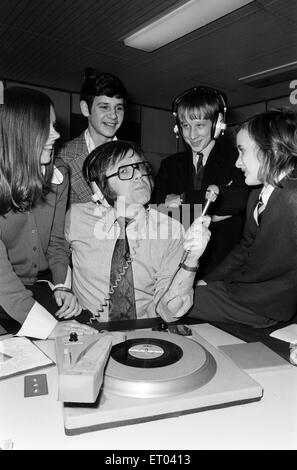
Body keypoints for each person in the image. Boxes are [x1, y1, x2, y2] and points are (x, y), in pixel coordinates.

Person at [63, 140, 211, 326]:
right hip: (85, 330)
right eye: (124, 171)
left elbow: (169, 312)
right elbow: (52, 258)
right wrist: (63, 289)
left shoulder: (171, 230)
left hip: (144, 334)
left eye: (141, 167)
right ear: (97, 188)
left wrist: (191, 261)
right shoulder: (76, 217)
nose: (139, 175)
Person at [0, 86, 95, 339]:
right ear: (19, 133)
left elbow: (56, 242)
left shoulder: (59, 174)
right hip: (5, 289)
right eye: (47, 126)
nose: (56, 134)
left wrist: (62, 286)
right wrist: (50, 328)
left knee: (84, 330)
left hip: (35, 285)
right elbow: (2, 280)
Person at [188, 108, 297, 328]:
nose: (237, 163)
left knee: (173, 301)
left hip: (264, 305)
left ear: (272, 151)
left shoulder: (292, 196)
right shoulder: (257, 195)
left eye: (242, 151)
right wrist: (206, 281)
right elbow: (244, 249)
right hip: (241, 291)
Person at [151, 86, 250, 277]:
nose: (192, 135)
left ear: (218, 124)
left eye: (200, 125)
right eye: (185, 126)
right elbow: (157, 211)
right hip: (175, 266)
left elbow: (238, 201)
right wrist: (213, 213)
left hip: (223, 270)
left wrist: (182, 199)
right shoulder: (169, 165)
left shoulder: (237, 160)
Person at [57, 71, 127, 205]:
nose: (113, 115)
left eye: (119, 108)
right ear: (85, 108)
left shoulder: (133, 157)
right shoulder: (61, 158)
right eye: (104, 107)